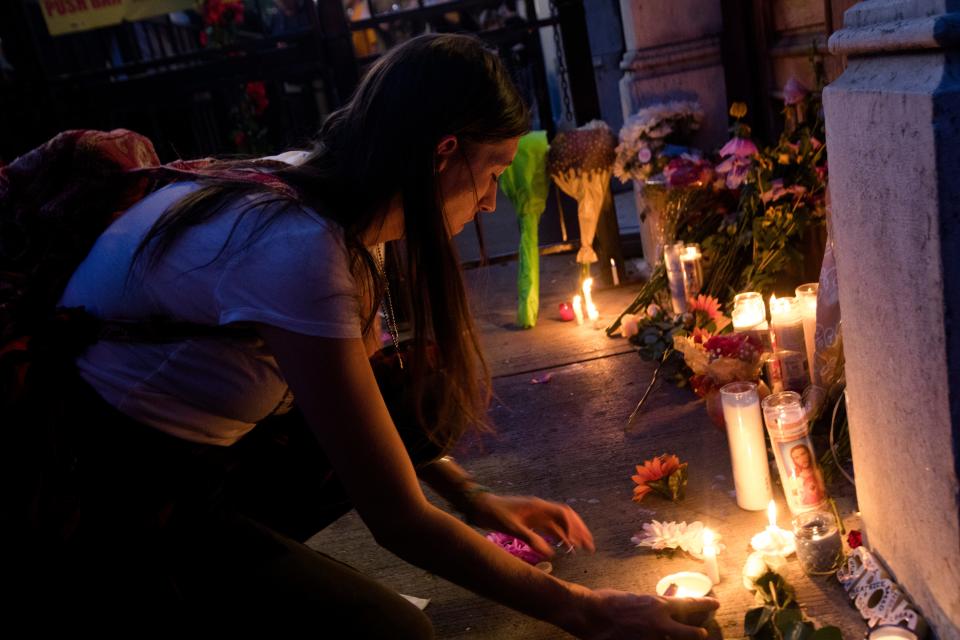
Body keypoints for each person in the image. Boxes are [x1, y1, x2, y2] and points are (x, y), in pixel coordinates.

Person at [31, 33, 716, 637]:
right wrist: (589, 611)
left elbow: (367, 407)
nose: (488, 202)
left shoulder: (332, 192)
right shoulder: (300, 250)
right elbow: (397, 519)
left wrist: (475, 499)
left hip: (189, 454)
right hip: (105, 492)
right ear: (443, 152)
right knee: (393, 629)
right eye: (495, 172)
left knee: (408, 396)